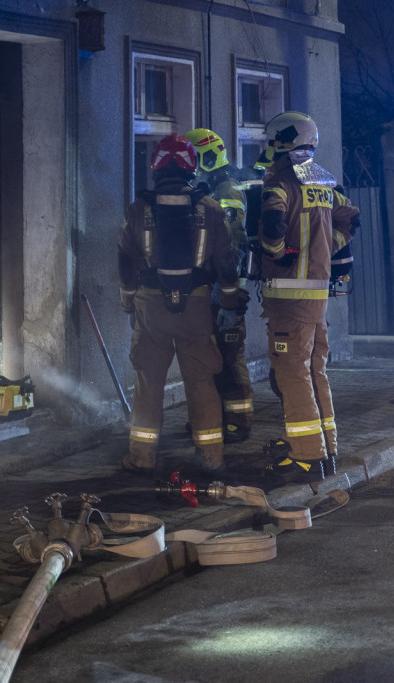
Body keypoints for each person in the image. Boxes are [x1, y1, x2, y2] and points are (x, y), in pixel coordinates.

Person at [118, 133, 241, 476]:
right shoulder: (211, 209)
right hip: (197, 308)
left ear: (156, 165)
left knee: (148, 383)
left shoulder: (137, 208)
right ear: (191, 166)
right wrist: (229, 303)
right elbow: (227, 263)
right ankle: (212, 459)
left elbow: (125, 262)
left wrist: (129, 303)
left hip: (151, 308)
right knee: (201, 382)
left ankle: (142, 458)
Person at [257, 111, 359, 492]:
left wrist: (277, 252)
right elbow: (351, 219)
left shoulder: (279, 182)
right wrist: (326, 248)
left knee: (292, 372)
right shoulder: (322, 180)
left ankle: (307, 457)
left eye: (271, 140)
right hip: (316, 297)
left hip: (288, 297)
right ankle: (326, 448)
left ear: (284, 141)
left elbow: (271, 227)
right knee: (315, 370)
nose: (267, 147)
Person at [183, 128, 254, 443]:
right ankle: (210, 420)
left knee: (229, 358)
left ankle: (238, 421)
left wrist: (229, 292)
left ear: (209, 156)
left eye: (195, 158)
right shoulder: (209, 189)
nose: (192, 165)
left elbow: (231, 244)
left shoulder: (227, 191)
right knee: (208, 360)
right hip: (209, 290)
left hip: (226, 291)